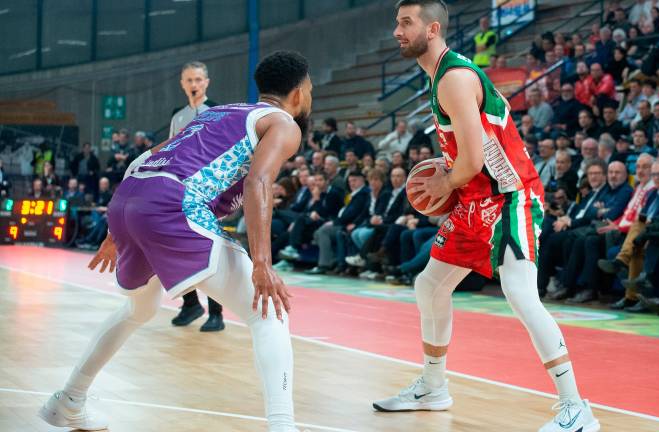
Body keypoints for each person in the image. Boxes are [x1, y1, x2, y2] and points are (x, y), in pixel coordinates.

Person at [38, 51, 313, 432]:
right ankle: (283, 426)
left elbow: (144, 160)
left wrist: (115, 230)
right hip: (172, 205)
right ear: (298, 94)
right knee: (268, 313)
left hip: (130, 200)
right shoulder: (283, 123)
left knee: (138, 310)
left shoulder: (220, 113)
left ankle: (67, 400)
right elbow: (258, 182)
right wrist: (262, 264)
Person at [377, 3, 600, 432]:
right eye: (397, 23)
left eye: (406, 23)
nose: (397, 32)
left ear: (433, 28)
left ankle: (576, 409)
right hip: (475, 199)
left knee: (519, 292)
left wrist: (443, 185)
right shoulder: (437, 74)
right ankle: (433, 386)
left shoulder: (455, 79)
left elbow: (472, 159)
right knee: (430, 285)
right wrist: (452, 184)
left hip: (509, 196)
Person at [166, 60, 225, 331]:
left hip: (209, 192)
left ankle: (217, 312)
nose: (194, 85)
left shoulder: (217, 112)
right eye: (189, 80)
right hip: (180, 191)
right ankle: (190, 303)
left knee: (209, 250)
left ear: (207, 82)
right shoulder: (177, 117)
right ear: (182, 84)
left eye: (198, 80)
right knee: (176, 247)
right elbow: (170, 154)